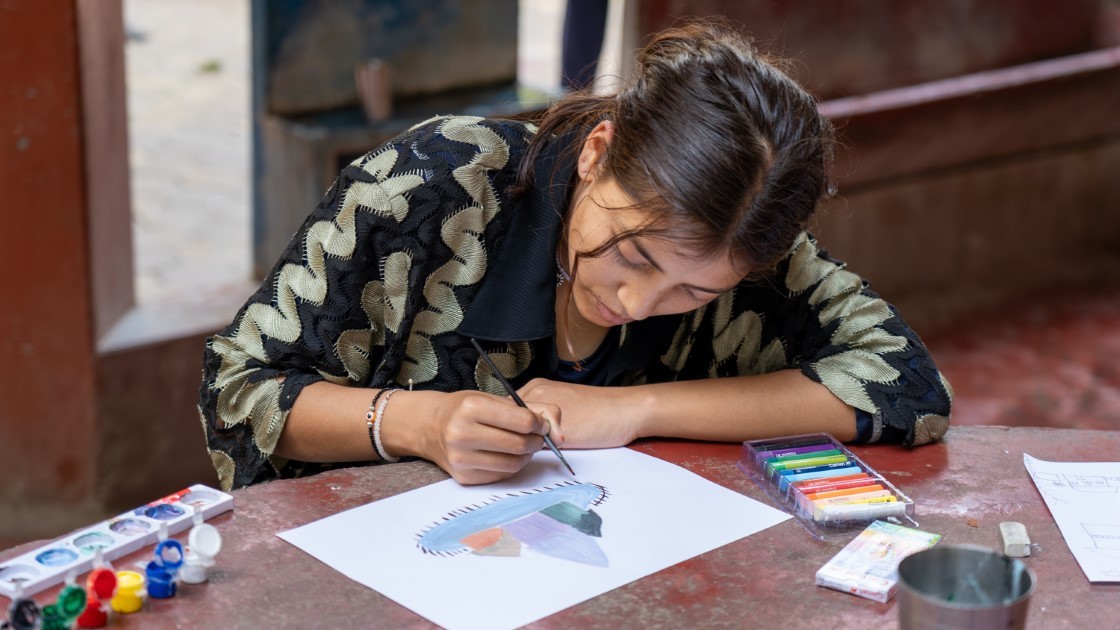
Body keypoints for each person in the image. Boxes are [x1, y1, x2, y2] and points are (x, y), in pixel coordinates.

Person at [199, 21, 952, 492]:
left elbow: (908, 385)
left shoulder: (746, 238)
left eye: (693, 293)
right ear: (597, 152)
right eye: (632, 255)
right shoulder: (430, 185)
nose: (636, 305)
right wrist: (415, 422)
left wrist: (637, 409)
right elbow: (239, 389)